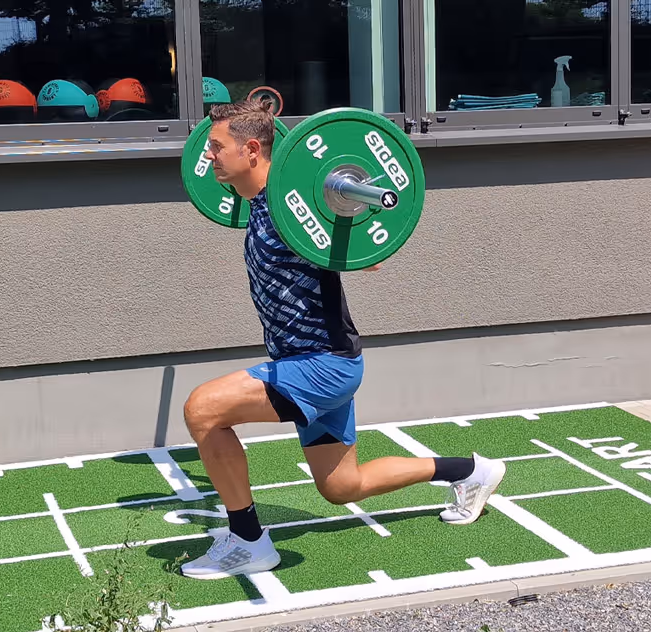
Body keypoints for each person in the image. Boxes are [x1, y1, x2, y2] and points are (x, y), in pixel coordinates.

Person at [178, 99, 507, 580]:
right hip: (310, 362)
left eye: (217, 148)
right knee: (341, 485)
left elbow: (368, 254)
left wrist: (346, 204)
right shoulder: (261, 207)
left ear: (251, 150)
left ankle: (248, 540)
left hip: (322, 365)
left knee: (203, 408)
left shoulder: (297, 208)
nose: (208, 158)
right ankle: (469, 471)